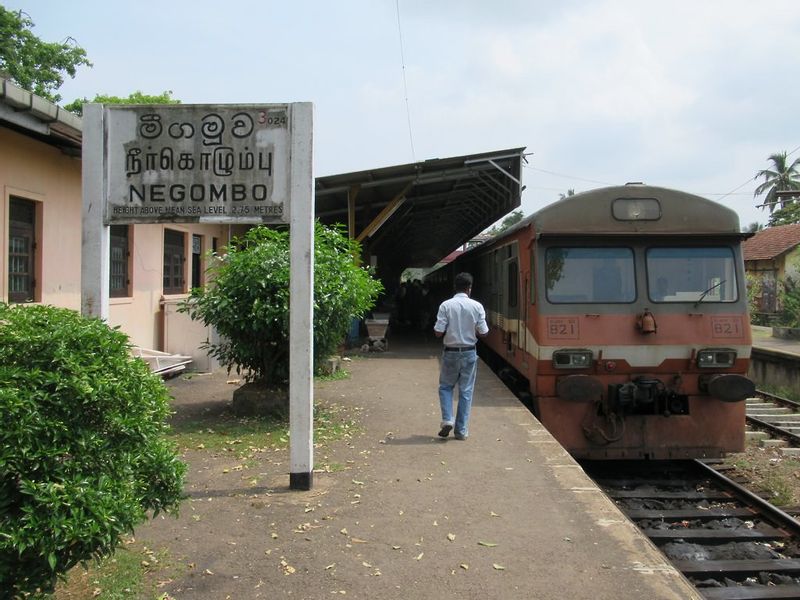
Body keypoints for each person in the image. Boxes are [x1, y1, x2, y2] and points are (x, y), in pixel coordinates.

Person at [433, 272, 489, 440]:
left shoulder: (445, 305)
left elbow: (438, 332)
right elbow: (484, 332)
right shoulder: (477, 306)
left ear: (454, 287)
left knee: (445, 387)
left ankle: (447, 419)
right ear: (469, 288)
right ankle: (461, 431)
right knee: (466, 391)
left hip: (450, 352)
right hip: (469, 352)